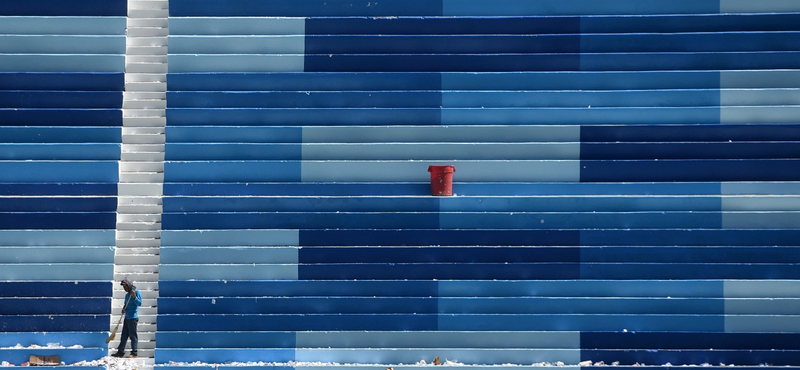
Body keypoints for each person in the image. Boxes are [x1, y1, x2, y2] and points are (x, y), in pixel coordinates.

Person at [112, 278, 142, 358]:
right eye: (124, 288)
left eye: (126, 287)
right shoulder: (127, 295)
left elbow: (139, 303)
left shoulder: (137, 292)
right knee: (124, 336)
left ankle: (134, 353)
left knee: (133, 336)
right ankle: (120, 352)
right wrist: (123, 309)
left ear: (129, 285)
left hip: (133, 318)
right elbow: (126, 304)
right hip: (127, 317)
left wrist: (134, 296)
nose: (125, 289)